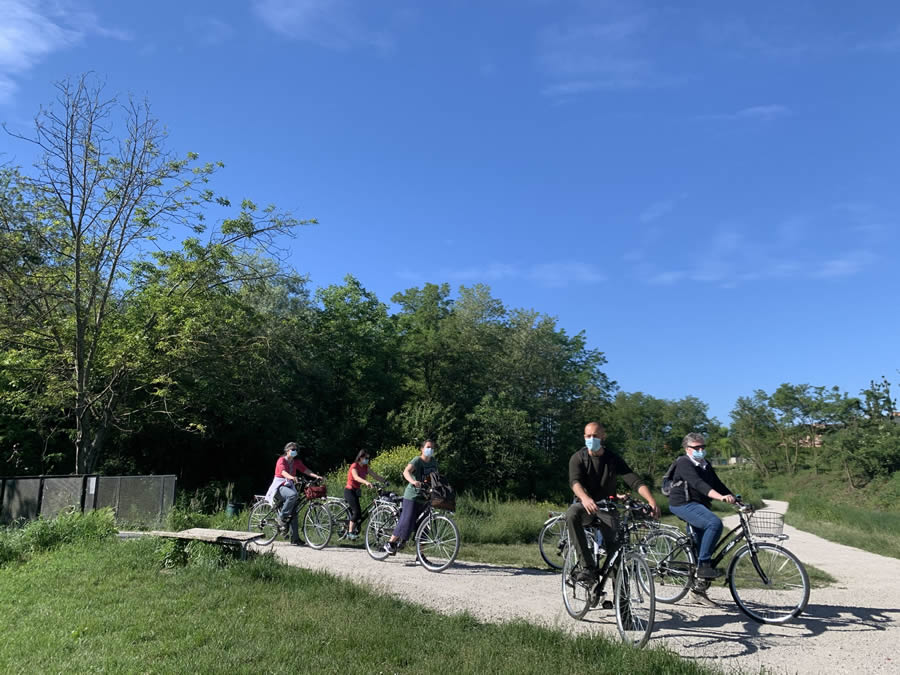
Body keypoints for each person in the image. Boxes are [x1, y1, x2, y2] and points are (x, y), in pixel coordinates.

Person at [566, 422, 660, 585]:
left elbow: (634, 480)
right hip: (586, 505)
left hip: (607, 507)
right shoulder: (578, 458)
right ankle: (587, 566)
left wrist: (651, 501)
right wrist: (585, 498)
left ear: (603, 436)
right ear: (584, 437)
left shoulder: (612, 458)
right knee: (572, 513)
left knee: (617, 552)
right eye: (588, 436)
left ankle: (623, 607)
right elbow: (575, 482)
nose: (591, 439)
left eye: (595, 436)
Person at [667, 432, 736, 579]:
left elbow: (717, 484)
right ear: (687, 449)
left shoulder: (705, 464)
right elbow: (698, 484)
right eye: (696, 447)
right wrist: (721, 498)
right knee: (714, 523)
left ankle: (698, 586)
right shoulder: (684, 463)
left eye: (703, 447)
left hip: (699, 505)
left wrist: (736, 500)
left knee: (699, 543)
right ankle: (704, 565)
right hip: (682, 503)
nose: (700, 450)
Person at [384, 439, 439, 555]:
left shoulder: (433, 462)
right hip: (413, 495)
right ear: (422, 449)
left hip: (426, 496)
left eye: (432, 448)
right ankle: (390, 542)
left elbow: (435, 477)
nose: (430, 450)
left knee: (425, 525)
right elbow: (406, 472)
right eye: (428, 447)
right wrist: (413, 481)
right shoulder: (417, 460)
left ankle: (420, 555)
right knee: (407, 520)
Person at [264, 442, 323, 545]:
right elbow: (282, 472)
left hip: (289, 486)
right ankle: (281, 517)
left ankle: (295, 538)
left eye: (296, 449)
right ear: (287, 450)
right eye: (293, 449)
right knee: (292, 495)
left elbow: (305, 470)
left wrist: (316, 476)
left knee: (294, 512)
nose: (295, 451)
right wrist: (292, 477)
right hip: (279, 487)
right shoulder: (281, 460)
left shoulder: (296, 462)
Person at [344, 449, 385, 540]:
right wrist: (366, 482)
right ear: (360, 457)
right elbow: (356, 477)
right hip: (349, 491)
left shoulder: (365, 467)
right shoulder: (354, 466)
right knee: (357, 512)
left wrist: (384, 481)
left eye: (368, 458)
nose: (367, 460)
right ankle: (350, 533)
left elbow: (375, 475)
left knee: (358, 513)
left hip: (356, 491)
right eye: (366, 458)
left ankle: (352, 527)